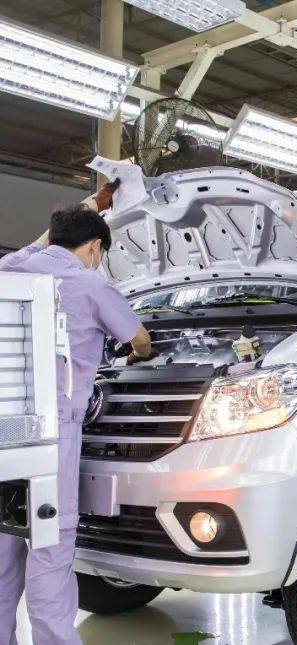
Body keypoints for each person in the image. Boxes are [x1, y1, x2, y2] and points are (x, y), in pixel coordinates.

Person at [0, 182, 153, 645]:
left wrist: (90, 208)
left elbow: (41, 244)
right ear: (94, 247)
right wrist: (138, 355)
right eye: (98, 252)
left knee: (4, 547)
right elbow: (140, 340)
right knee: (50, 545)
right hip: (54, 433)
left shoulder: (8, 269)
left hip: (5, 429)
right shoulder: (92, 284)